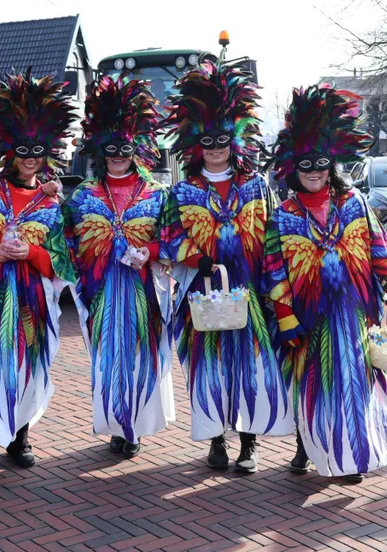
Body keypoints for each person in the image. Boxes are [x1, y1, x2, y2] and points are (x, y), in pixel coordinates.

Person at [264, 85, 387, 482]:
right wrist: (285, 317)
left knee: (357, 382)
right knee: (313, 382)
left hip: (356, 313)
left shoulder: (356, 204)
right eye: (306, 164)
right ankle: (306, 445)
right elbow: (275, 271)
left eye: (321, 163)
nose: (314, 171)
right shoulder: (283, 215)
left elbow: (379, 248)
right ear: (293, 168)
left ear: (333, 164)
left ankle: (351, 455)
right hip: (310, 320)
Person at [160, 61, 293, 473]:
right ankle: (216, 440)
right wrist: (194, 258)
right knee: (209, 370)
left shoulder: (256, 186)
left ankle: (249, 445)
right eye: (207, 140)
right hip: (203, 293)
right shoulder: (182, 190)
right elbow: (168, 236)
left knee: (251, 367)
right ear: (195, 144)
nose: (215, 147)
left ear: (235, 140)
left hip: (249, 293)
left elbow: (273, 236)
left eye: (222, 139)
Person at [0, 71, 77, 478]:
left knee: (27, 364)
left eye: (38, 150)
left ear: (47, 153)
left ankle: (18, 438)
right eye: (23, 149)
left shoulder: (52, 203)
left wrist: (32, 251)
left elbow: (62, 259)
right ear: (9, 149)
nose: (30, 157)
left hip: (31, 299)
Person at [63, 75, 175, 459]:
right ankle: (116, 422)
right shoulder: (82, 196)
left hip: (145, 291)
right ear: (99, 149)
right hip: (103, 293)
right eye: (110, 148)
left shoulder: (158, 195)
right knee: (108, 357)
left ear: (138, 148)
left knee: (143, 355)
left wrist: (152, 250)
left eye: (124, 148)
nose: (117, 155)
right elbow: (66, 240)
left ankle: (136, 425)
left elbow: (173, 239)